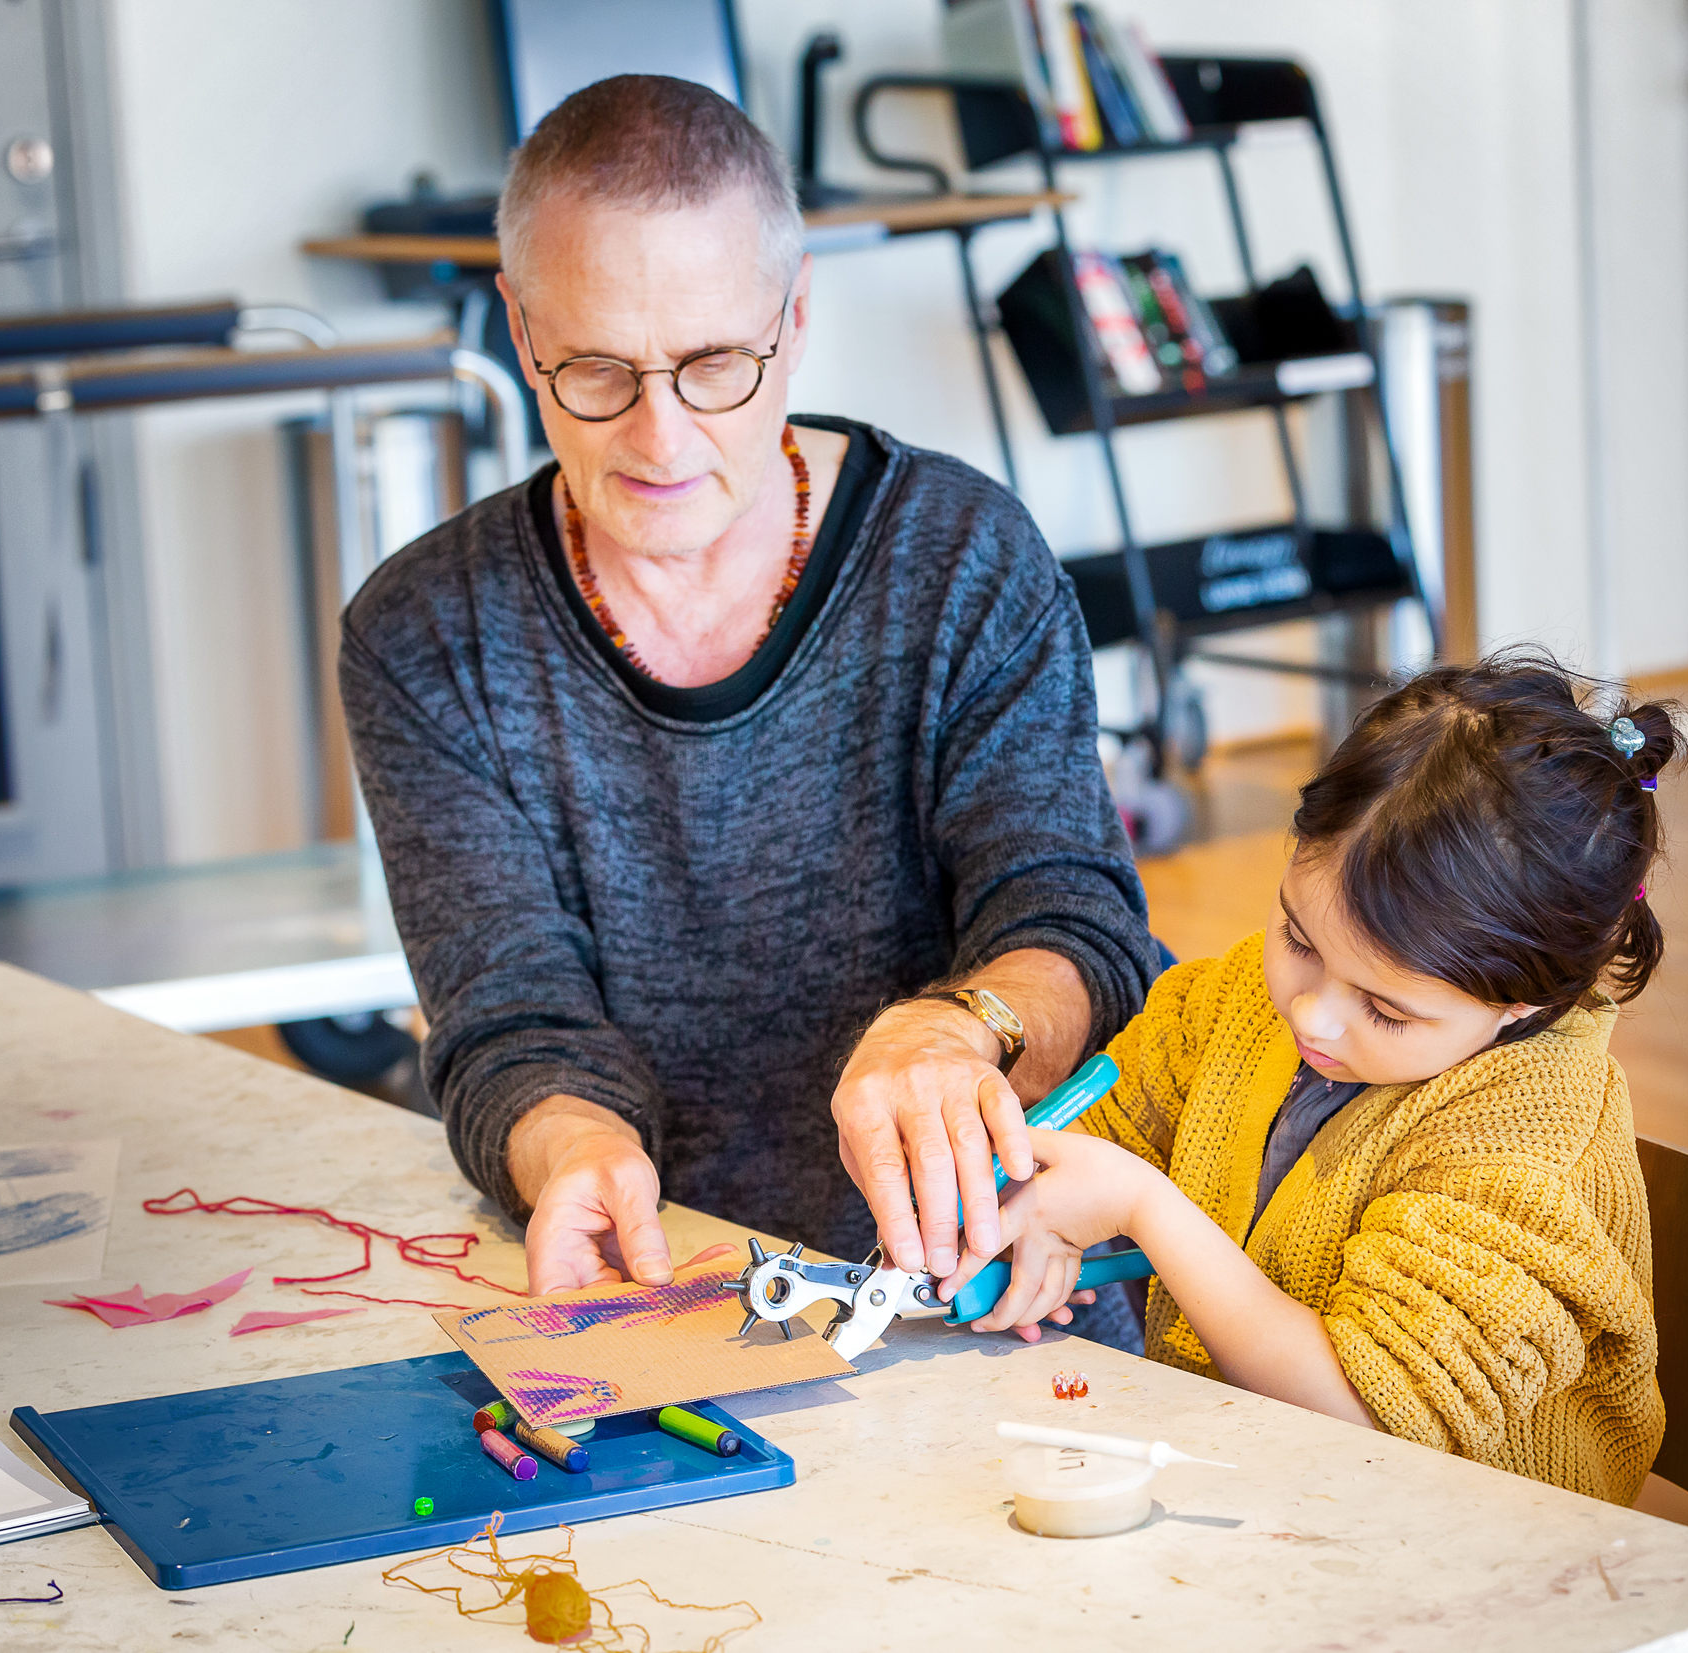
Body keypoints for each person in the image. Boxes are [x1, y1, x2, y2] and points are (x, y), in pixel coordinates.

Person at [340, 76, 1161, 1297]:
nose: (660, 439)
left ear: (795, 308)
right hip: (654, 1294)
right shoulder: (427, 636)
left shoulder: (959, 557)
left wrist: (959, 1028)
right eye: (596, 373)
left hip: (999, 1289)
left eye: (714, 363)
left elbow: (1077, 924)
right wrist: (574, 1149)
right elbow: (509, 1016)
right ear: (518, 333)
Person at [951, 655, 1672, 1503]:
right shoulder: (1233, 1004)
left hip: (1473, 1564)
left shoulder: (1532, 1140)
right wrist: (1042, 1214)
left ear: (1521, 1003)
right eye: (1299, 938)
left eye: (1385, 1008)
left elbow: (1363, 1424)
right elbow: (1099, 1142)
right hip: (1254, 1501)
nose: (1314, 1017)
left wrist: (1142, 1205)